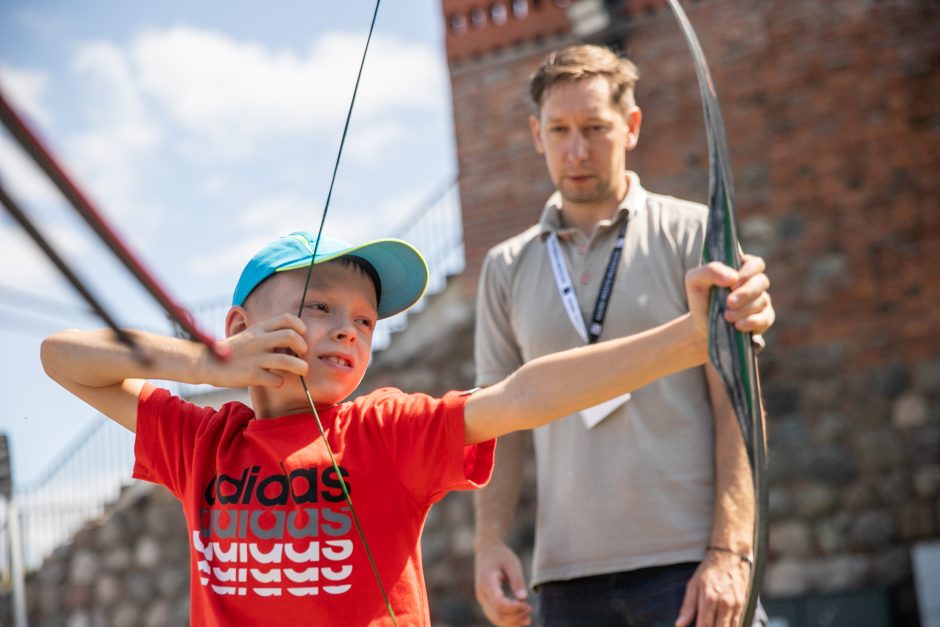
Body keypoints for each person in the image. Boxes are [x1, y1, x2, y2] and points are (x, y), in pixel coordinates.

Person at [40, 227, 768, 626]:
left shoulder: (384, 430)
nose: (347, 330)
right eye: (319, 307)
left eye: (364, 319)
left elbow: (520, 396)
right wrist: (214, 362)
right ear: (240, 325)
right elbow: (62, 358)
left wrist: (688, 338)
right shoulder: (203, 441)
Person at [472, 45, 774, 627]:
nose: (576, 150)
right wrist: (489, 544)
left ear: (631, 126)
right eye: (559, 130)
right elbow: (495, 426)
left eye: (595, 128)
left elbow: (738, 405)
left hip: (688, 570)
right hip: (561, 582)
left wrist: (730, 552)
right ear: (536, 135)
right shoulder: (504, 267)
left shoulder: (696, 234)